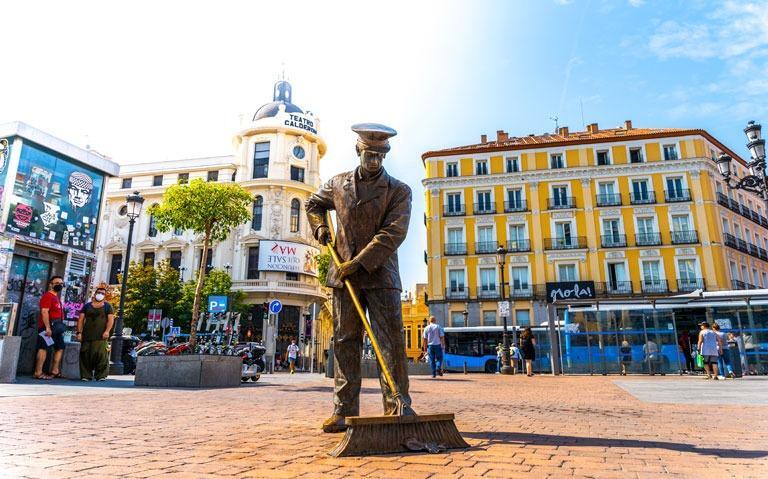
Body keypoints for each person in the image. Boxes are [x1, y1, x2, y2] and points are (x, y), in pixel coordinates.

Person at [306, 123, 412, 433]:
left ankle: (397, 405)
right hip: (343, 277)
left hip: (381, 275)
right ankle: (343, 410)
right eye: (370, 154)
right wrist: (320, 227)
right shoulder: (337, 184)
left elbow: (393, 233)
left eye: (380, 156)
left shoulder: (399, 190)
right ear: (358, 150)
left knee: (390, 343)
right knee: (344, 341)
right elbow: (314, 205)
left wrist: (359, 263)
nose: (375, 161)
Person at [76, 285, 115, 381]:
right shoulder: (87, 306)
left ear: (105, 296)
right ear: (95, 293)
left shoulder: (107, 306)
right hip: (87, 335)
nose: (100, 295)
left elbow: (111, 320)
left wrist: (107, 331)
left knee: (101, 355)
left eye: (102, 293)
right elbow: (80, 320)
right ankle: (86, 375)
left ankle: (101, 375)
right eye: (99, 293)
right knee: (85, 355)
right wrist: (79, 332)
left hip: (101, 336)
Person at [34, 275, 66, 380]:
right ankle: (38, 372)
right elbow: (44, 311)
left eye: (61, 283)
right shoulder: (48, 296)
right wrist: (47, 327)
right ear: (51, 284)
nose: (59, 285)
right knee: (43, 349)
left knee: (60, 347)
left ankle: (55, 370)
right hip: (47, 328)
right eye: (56, 283)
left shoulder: (56, 297)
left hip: (57, 329)